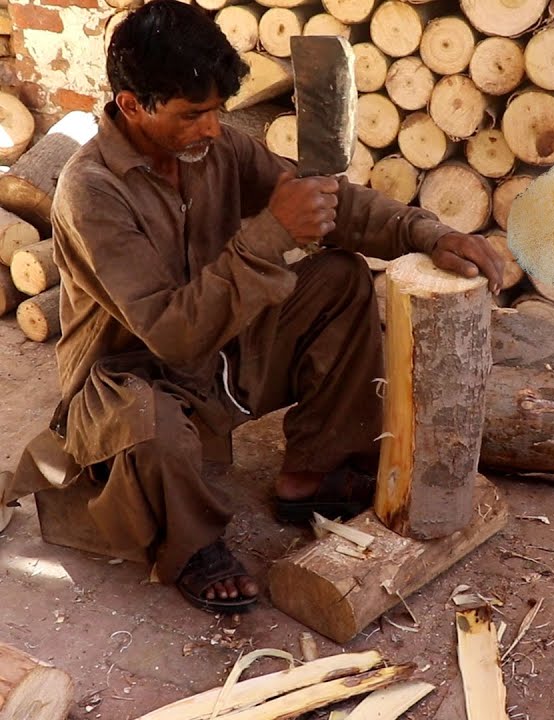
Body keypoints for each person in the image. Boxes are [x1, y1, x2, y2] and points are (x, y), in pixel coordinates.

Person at [9, 0, 506, 614]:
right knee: (147, 422)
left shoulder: (215, 150)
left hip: (216, 350)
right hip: (129, 375)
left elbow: (328, 203)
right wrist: (270, 234)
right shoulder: (91, 191)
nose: (212, 129)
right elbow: (170, 333)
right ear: (133, 105)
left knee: (338, 278)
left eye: (217, 110)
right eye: (192, 115)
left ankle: (312, 474)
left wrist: (427, 232)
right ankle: (191, 546)